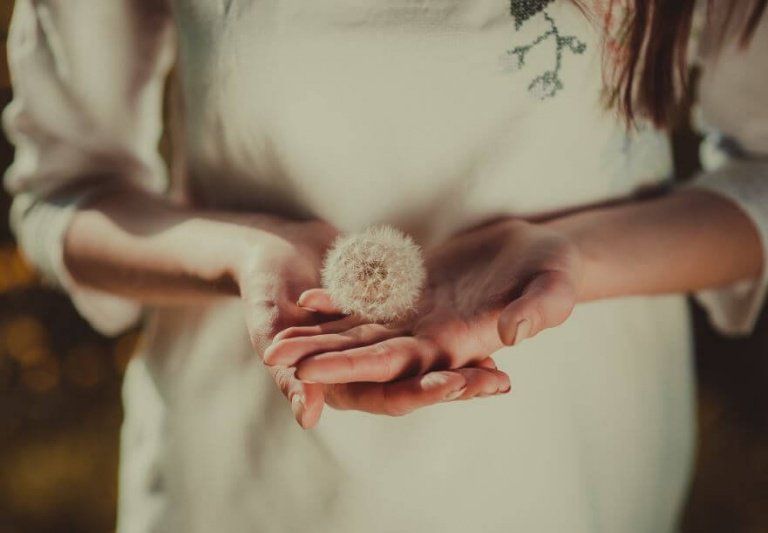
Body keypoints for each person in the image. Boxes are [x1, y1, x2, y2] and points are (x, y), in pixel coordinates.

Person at [3, 0, 766, 532]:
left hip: (571, 469)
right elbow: (65, 191)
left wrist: (572, 257)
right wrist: (241, 252)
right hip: (248, 480)